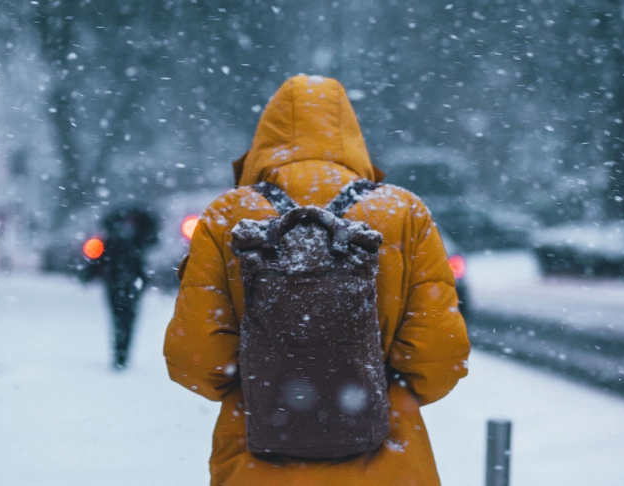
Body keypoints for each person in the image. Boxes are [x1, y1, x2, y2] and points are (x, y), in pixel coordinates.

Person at [164, 75, 471, 484]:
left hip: (255, 463)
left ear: (265, 138)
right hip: (389, 465)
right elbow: (440, 358)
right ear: (351, 135)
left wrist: (269, 380)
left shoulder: (226, 217)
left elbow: (195, 362)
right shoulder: (403, 213)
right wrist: (369, 387)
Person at [84, 206, 159, 369]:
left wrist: (89, 274)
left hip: (119, 281)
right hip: (126, 281)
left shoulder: (118, 236)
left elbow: (99, 257)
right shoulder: (134, 237)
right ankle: (121, 353)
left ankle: (121, 353)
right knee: (124, 318)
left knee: (121, 319)